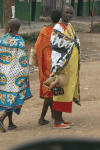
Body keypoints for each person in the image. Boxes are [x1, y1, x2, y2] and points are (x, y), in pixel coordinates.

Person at [50, 3, 81, 129]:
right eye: (66, 13)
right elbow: (56, 45)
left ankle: (61, 119)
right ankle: (57, 122)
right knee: (59, 92)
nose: (69, 15)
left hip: (70, 68)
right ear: (61, 13)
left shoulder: (69, 26)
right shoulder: (58, 27)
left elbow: (74, 41)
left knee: (66, 92)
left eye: (71, 13)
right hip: (61, 67)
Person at [0, 18, 32, 132]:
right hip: (15, 75)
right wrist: (25, 73)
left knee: (9, 97)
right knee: (14, 98)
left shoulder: (4, 39)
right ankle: (1, 119)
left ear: (10, 27)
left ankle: (11, 123)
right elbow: (22, 60)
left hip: (4, 74)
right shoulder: (20, 41)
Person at [35, 10, 62, 125]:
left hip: (45, 65)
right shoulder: (59, 32)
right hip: (55, 66)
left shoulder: (44, 30)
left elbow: (37, 46)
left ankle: (53, 113)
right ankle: (41, 118)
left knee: (50, 91)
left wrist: (41, 60)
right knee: (51, 93)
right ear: (60, 19)